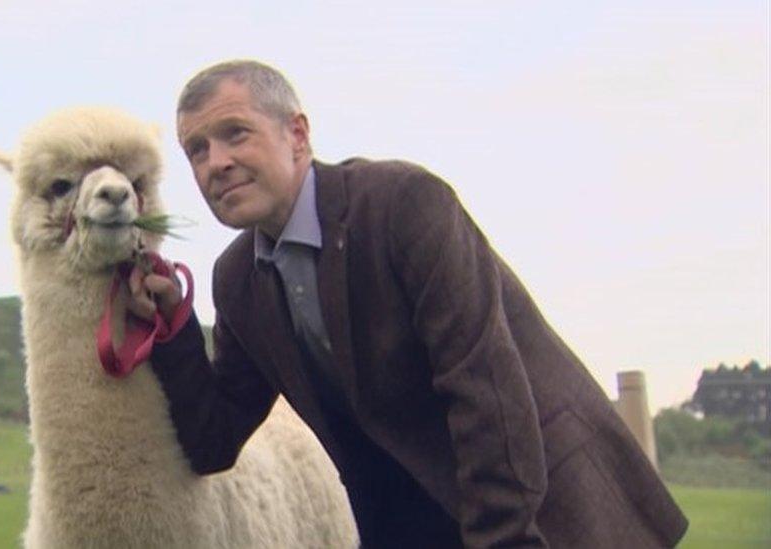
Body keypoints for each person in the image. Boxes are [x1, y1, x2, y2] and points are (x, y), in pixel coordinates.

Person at [129, 60, 688, 548]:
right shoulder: (236, 281)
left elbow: (485, 390)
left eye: (235, 134)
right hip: (412, 527)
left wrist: (503, 543)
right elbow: (214, 440)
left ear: (297, 134)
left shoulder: (403, 206)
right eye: (196, 150)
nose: (215, 163)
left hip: (549, 513)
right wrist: (175, 325)